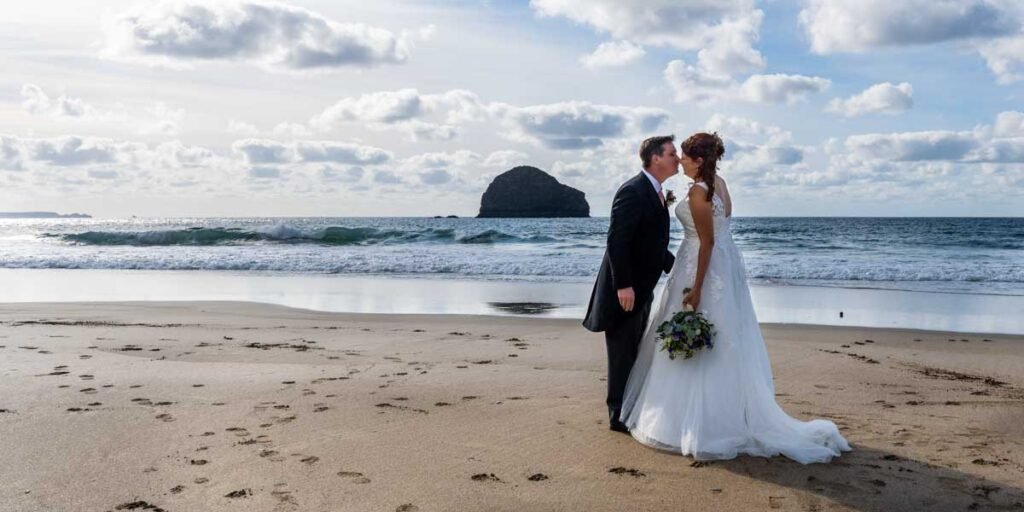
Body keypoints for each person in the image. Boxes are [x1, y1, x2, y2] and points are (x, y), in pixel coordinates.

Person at [620, 132, 851, 464]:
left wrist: (698, 288)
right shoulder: (720, 185)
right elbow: (723, 222)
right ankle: (726, 412)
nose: (680, 160)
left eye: (684, 156)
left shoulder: (700, 193)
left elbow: (708, 243)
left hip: (701, 268)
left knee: (701, 336)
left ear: (699, 161)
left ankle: (695, 422)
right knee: (725, 337)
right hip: (722, 273)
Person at [583, 135, 678, 433]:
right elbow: (617, 241)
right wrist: (623, 284)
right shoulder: (633, 191)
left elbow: (650, 243)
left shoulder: (657, 191)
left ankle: (629, 408)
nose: (677, 158)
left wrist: (678, 267)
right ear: (655, 157)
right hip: (624, 290)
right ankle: (617, 416)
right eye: (672, 153)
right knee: (622, 351)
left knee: (634, 349)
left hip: (642, 288)